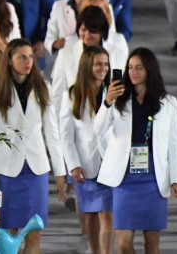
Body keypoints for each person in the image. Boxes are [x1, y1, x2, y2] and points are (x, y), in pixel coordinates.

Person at [95, 48, 177, 254]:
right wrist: (107, 101)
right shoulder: (118, 99)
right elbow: (98, 129)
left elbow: (173, 145)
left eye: (139, 68)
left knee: (151, 244)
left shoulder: (168, 103)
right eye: (130, 67)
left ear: (149, 70)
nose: (133, 72)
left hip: (154, 177)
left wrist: (176, 179)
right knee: (124, 244)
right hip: (124, 178)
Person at [0, 38, 65, 254]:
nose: (28, 61)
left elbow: (52, 133)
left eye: (31, 56)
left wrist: (60, 172)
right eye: (22, 57)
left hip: (36, 169)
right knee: (8, 234)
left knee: (34, 232)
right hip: (6, 169)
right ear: (10, 60)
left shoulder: (44, 87)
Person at [60, 46, 114, 254]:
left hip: (110, 163)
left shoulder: (114, 91)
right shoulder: (72, 94)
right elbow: (66, 134)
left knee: (107, 213)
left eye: (106, 64)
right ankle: (95, 251)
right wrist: (72, 164)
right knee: (91, 215)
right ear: (87, 66)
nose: (103, 68)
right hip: (85, 164)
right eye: (99, 64)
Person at [51, 6, 129, 118]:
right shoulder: (66, 52)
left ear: (102, 31)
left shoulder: (118, 52)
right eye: (83, 30)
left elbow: (125, 89)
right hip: (77, 118)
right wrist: (58, 121)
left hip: (110, 118)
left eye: (92, 31)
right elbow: (57, 91)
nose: (87, 36)